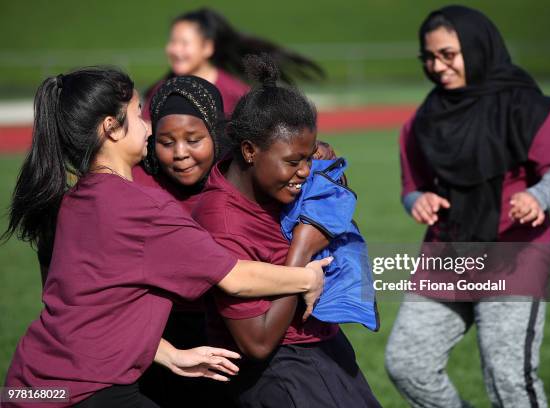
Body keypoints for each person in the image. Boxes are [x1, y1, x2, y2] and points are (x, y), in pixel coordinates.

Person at [2, 67, 330, 407]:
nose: (147, 125)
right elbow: (236, 278)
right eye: (138, 112)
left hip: (30, 385)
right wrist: (305, 277)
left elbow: (90, 311)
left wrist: (170, 354)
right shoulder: (144, 208)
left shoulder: (74, 200)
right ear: (111, 128)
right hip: (90, 390)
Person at [385, 6, 550, 408]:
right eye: (429, 57)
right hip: (447, 256)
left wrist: (538, 196)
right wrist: (417, 200)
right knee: (408, 363)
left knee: (508, 380)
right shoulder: (422, 119)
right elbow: (412, 186)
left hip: (514, 255)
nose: (437, 66)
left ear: (477, 49)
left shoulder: (522, 104)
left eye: (448, 54)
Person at [134, 74, 337, 407]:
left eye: (194, 139)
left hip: (225, 338)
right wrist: (302, 273)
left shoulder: (246, 177)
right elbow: (235, 277)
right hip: (169, 334)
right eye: (166, 142)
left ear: (216, 135)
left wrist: (318, 157)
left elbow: (293, 153)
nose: (181, 153)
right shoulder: (145, 193)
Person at [192, 55, 381, 407]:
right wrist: (301, 252)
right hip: (279, 370)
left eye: (308, 157)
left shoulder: (268, 181)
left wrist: (320, 167)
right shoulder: (224, 222)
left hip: (322, 347)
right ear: (249, 151)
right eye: (295, 162)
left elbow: (330, 180)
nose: (306, 171)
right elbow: (257, 342)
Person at [142, 7, 324, 120]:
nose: (175, 50)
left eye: (184, 43)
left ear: (207, 47)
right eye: (173, 42)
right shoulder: (159, 91)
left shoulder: (235, 92)